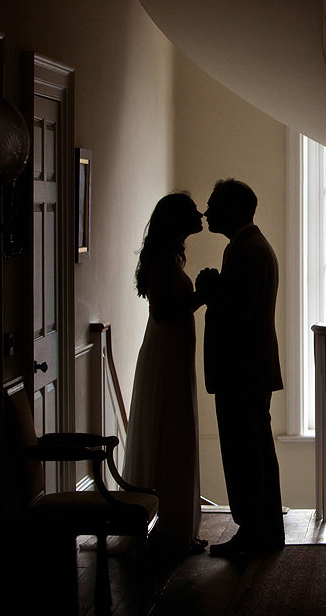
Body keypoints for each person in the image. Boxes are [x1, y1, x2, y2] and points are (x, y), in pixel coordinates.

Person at [195, 178, 285, 558]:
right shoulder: (250, 246)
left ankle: (253, 534)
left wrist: (211, 289)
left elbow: (237, 316)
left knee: (244, 454)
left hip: (241, 370)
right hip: (250, 369)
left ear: (232, 209)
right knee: (255, 450)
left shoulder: (246, 251)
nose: (207, 211)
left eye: (214, 204)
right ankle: (264, 530)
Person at [122, 192, 208, 559]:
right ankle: (168, 531)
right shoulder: (163, 260)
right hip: (165, 358)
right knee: (170, 433)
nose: (200, 214)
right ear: (176, 220)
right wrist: (201, 296)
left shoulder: (171, 256)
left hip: (173, 355)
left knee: (175, 434)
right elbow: (161, 312)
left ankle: (176, 528)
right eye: (192, 212)